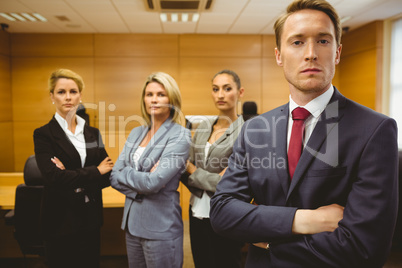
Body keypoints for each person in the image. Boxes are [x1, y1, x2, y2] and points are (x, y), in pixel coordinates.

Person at [209, 1, 399, 267]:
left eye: (323, 41)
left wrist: (270, 240)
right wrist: (304, 220)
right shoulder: (255, 129)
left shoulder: (375, 130)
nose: (311, 53)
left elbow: (366, 248)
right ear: (279, 55)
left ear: (337, 52)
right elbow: (221, 212)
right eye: (297, 42)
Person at [33, 69, 114, 268]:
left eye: (73, 91)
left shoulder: (92, 133)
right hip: (60, 220)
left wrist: (69, 173)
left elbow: (108, 172)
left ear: (80, 95)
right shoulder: (44, 135)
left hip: (90, 218)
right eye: (61, 92)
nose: (68, 97)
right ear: (52, 96)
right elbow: (53, 178)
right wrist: (95, 171)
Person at [110, 72, 191, 268]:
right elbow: (113, 176)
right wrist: (143, 180)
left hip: (161, 227)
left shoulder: (180, 135)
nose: (154, 99)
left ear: (172, 99)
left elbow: (154, 182)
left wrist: (127, 174)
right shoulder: (137, 131)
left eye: (161, 94)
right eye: (149, 94)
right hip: (132, 224)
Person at [181, 69, 245, 268]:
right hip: (197, 211)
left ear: (240, 92)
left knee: (227, 263)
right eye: (215, 89)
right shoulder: (203, 127)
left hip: (227, 214)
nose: (220, 94)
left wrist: (194, 171)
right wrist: (207, 177)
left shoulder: (247, 130)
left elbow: (230, 183)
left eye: (227, 89)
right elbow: (184, 168)